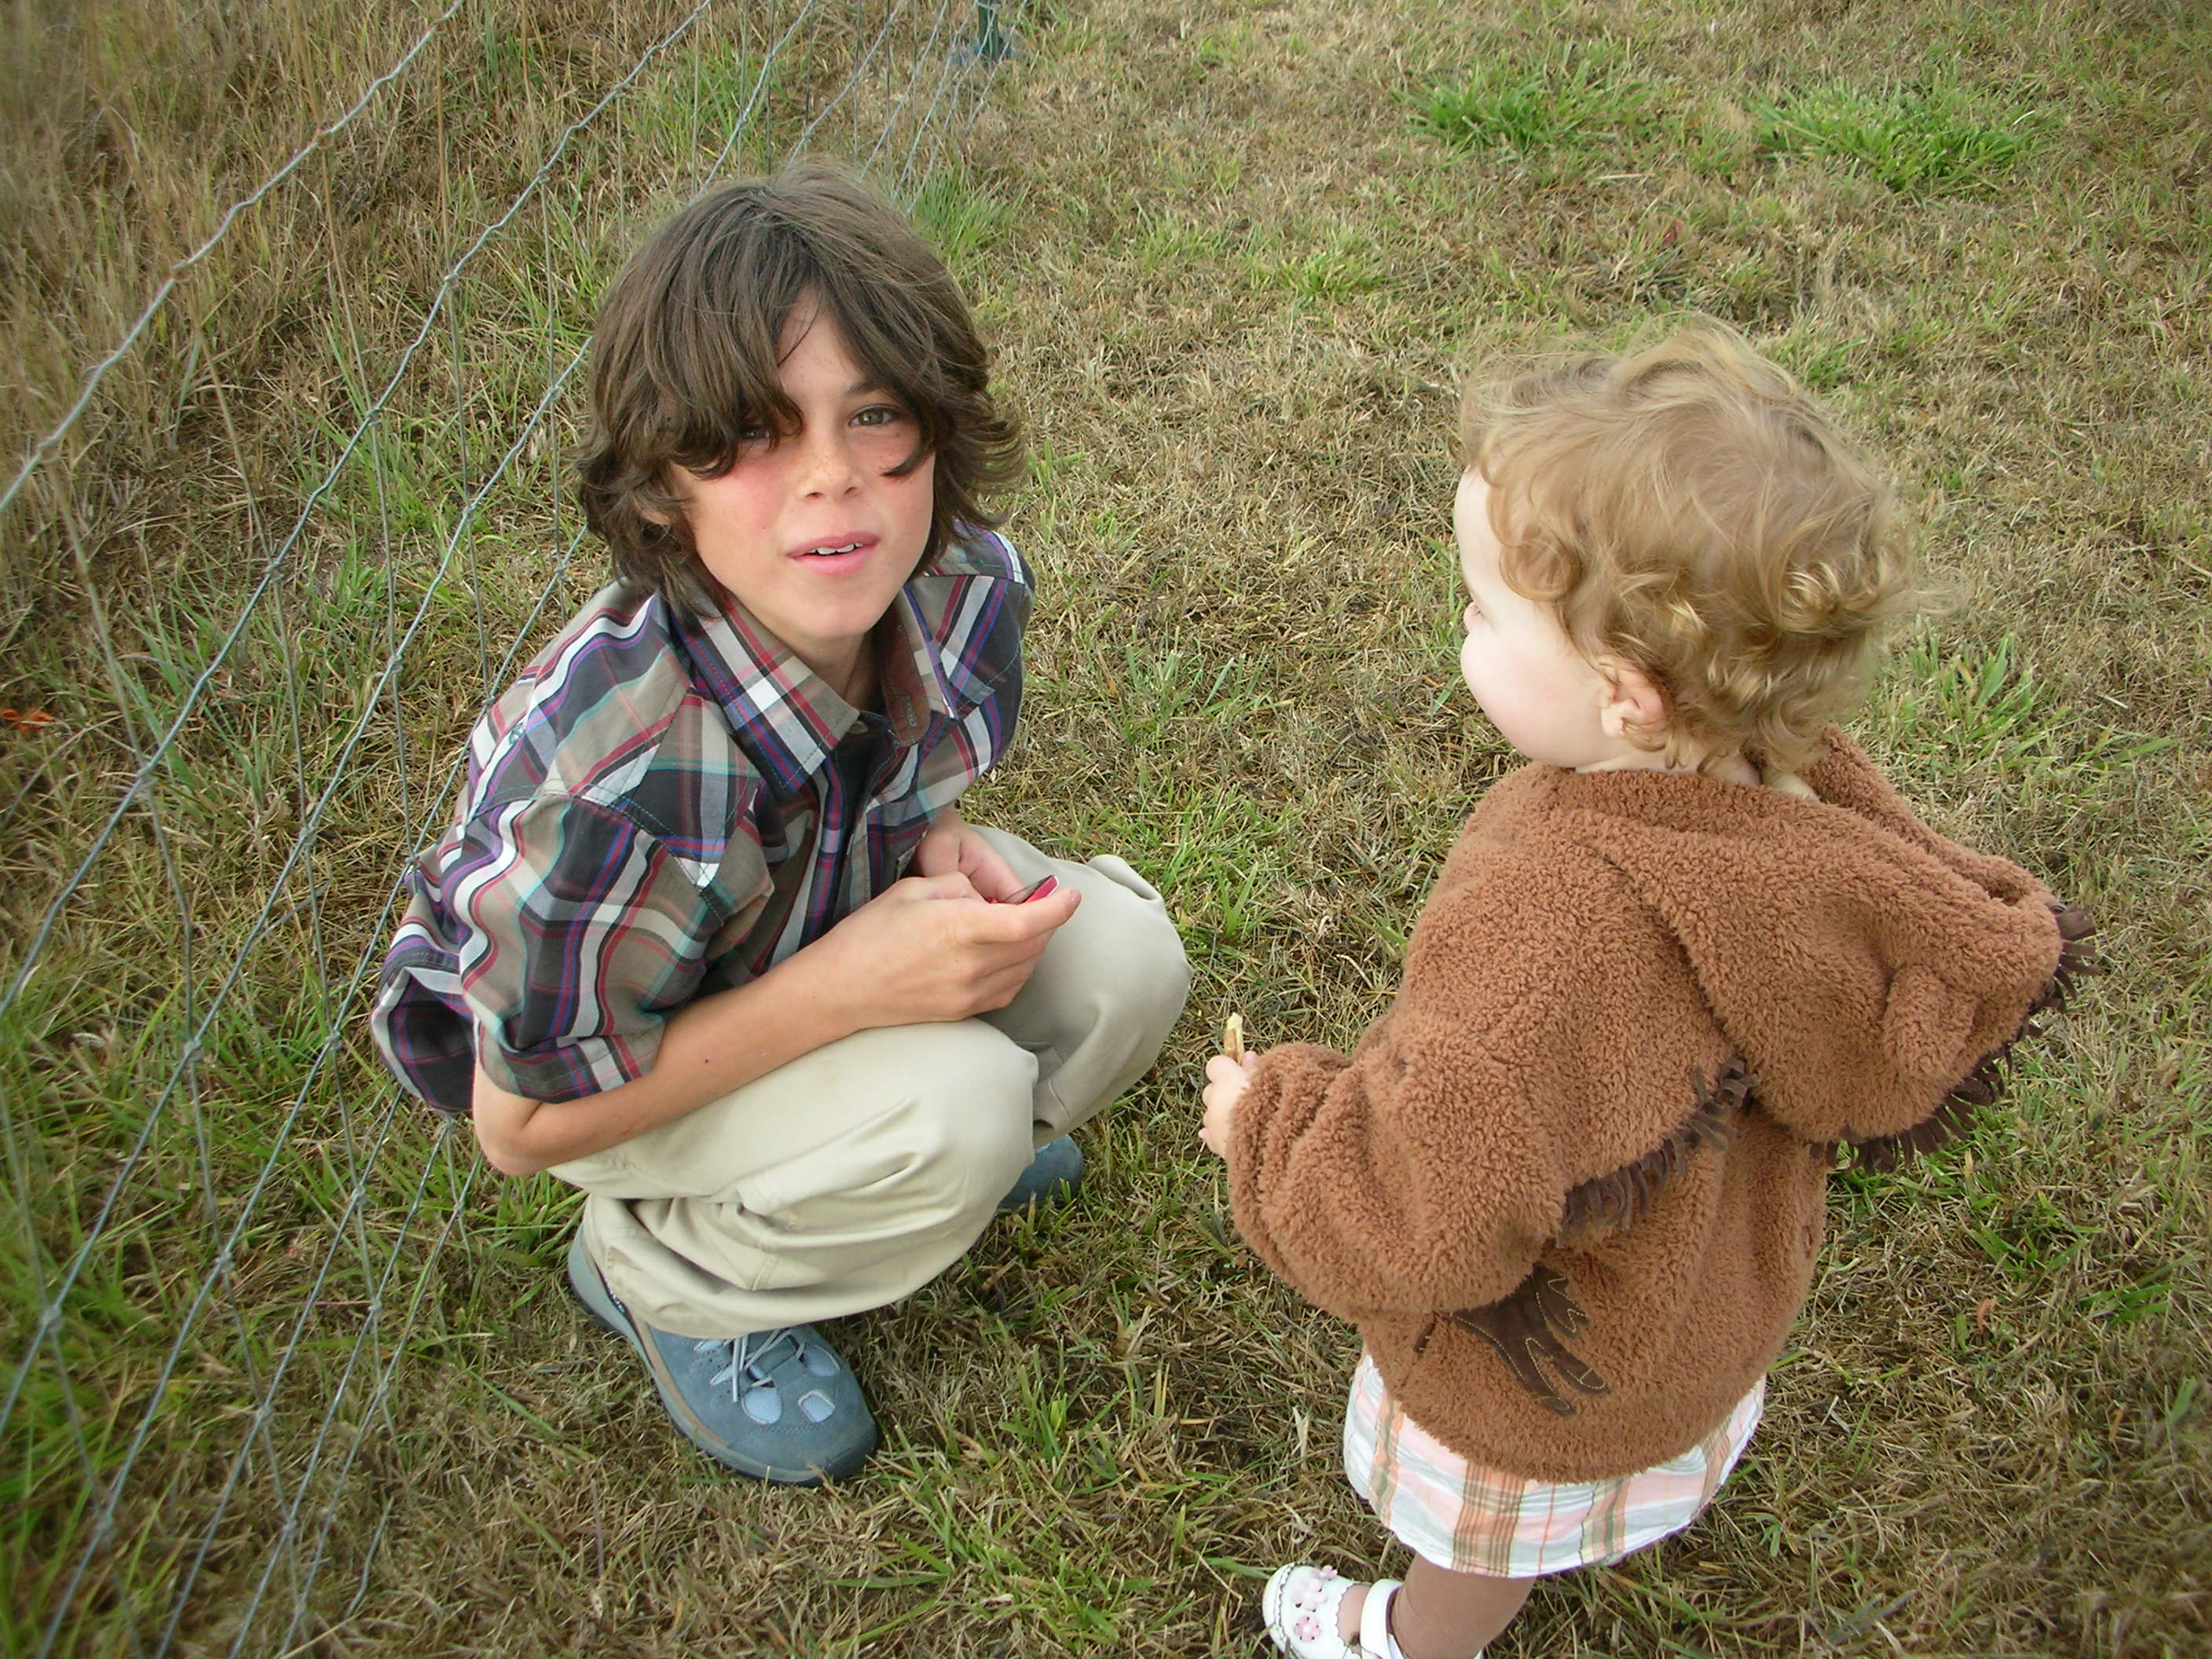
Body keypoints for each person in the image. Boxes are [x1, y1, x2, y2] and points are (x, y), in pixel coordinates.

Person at [1198, 326, 2092, 1659]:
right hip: (1696, 1316)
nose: (1460, 624)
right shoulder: (1805, 810)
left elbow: (1436, 1206)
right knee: (1602, 1457)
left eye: (1480, 609)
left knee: (1477, 1542)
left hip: (1548, 1376)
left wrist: (1268, 1124)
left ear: (1623, 696)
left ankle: (1416, 1637)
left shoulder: (1550, 930)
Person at [370, 163, 1189, 1486]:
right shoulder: (609, 788)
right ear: (660, 486)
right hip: (606, 1067)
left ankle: (877, 1173)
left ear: (938, 422)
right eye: (753, 432)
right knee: (958, 1110)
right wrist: (849, 989)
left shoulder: (961, 586)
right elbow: (515, 1129)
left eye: (874, 413)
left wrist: (929, 836)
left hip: (781, 934)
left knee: (1126, 964)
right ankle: (666, 1277)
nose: (832, 480)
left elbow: (900, 765)